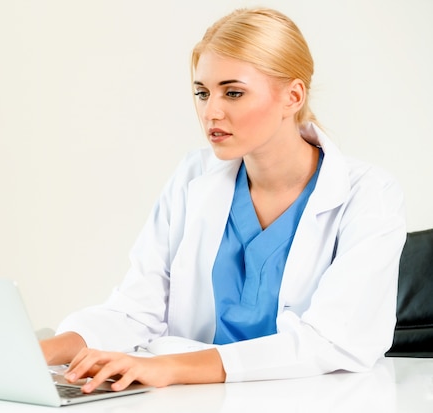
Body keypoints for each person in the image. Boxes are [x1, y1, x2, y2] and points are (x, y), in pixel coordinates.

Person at [40, 7, 406, 392]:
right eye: (202, 93)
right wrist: (38, 351)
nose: (211, 112)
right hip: (199, 399)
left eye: (233, 92)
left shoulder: (369, 195)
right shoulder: (192, 177)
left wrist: (170, 368)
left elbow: (330, 342)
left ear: (293, 96)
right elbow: (135, 311)